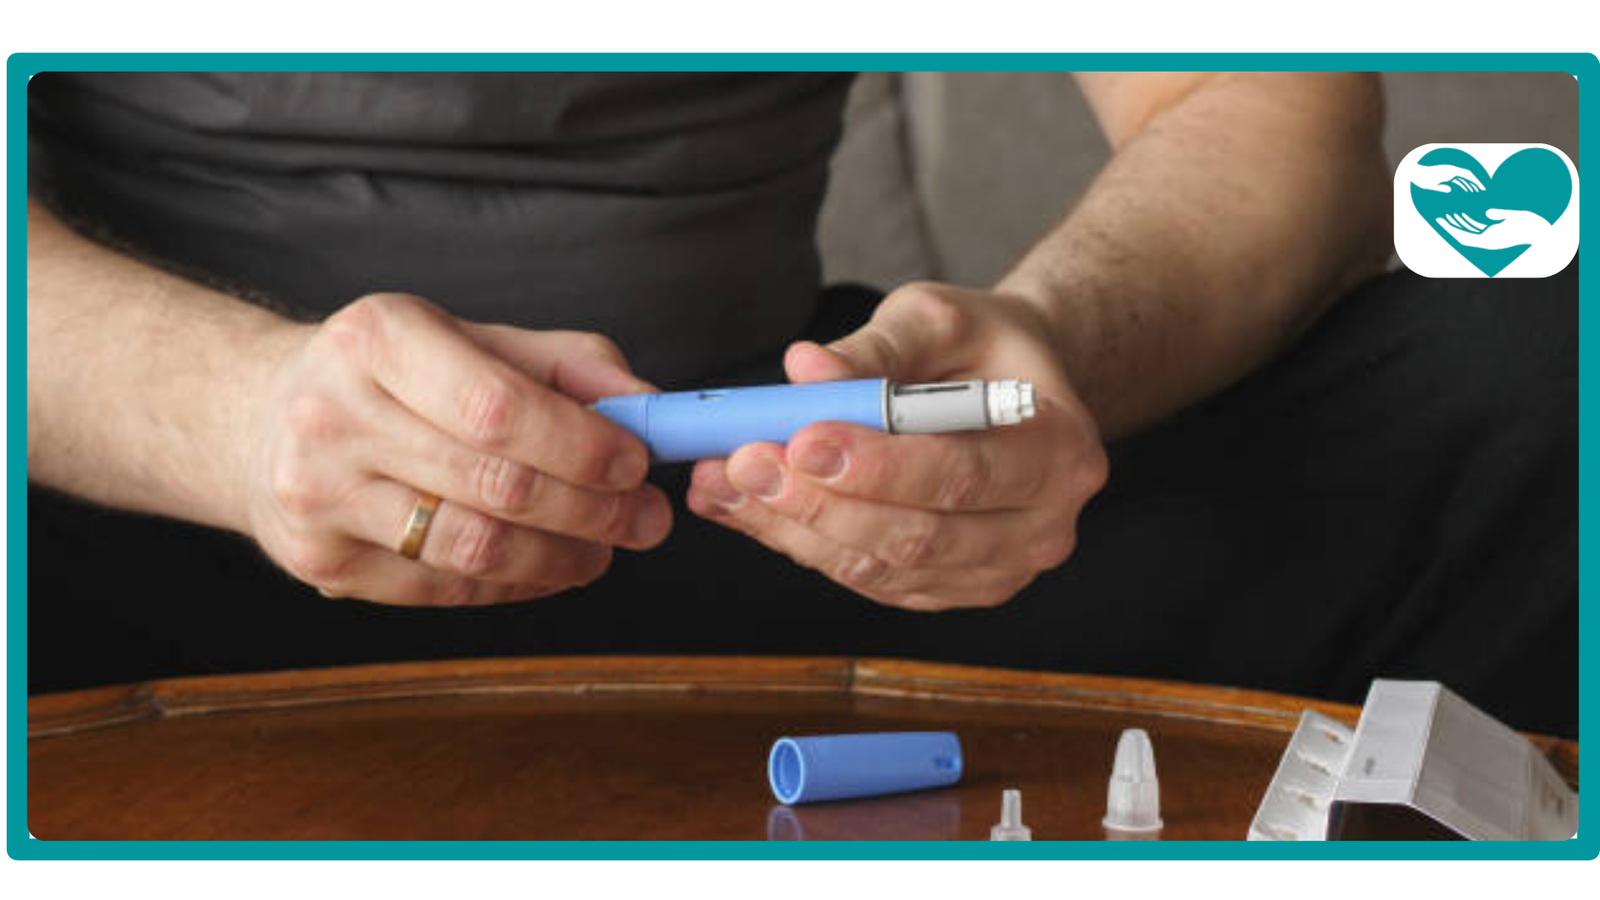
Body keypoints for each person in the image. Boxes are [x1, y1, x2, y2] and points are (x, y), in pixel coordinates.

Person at [26, 73, 1575, 736]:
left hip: (785, 500)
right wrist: (233, 413)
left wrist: (1055, 347)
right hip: (151, 516)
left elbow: (1254, 89)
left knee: (1537, 381)